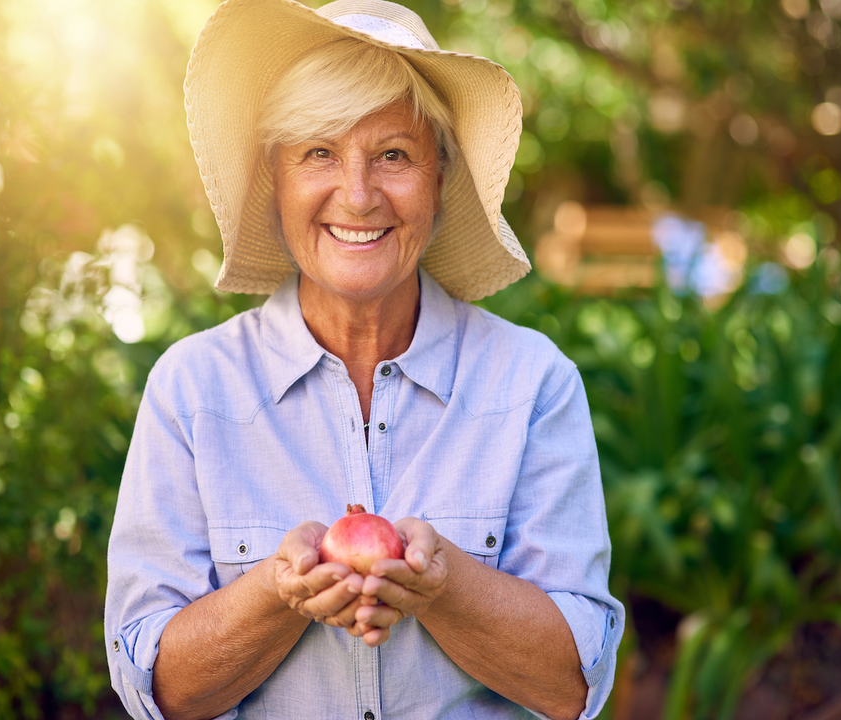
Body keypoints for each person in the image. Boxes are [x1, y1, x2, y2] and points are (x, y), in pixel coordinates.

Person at [104, 0, 624, 718]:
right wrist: (277, 593)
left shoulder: (533, 384)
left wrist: (446, 585)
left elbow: (573, 688)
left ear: (440, 180)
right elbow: (158, 692)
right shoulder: (193, 391)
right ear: (276, 180)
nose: (357, 194)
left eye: (393, 155)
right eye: (318, 152)